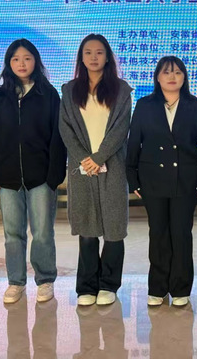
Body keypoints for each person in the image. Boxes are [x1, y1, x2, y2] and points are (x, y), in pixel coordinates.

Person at [0, 39, 67, 304]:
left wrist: (54, 175)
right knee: (13, 234)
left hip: (41, 177)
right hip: (7, 178)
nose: (21, 63)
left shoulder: (48, 95)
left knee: (42, 233)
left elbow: (58, 138)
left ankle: (45, 279)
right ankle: (16, 281)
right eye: (16, 59)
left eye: (27, 58)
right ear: (8, 63)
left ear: (36, 62)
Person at [126, 56, 197, 307]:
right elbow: (134, 143)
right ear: (157, 77)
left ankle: (180, 288)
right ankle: (157, 287)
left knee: (181, 233)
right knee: (158, 233)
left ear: (184, 77)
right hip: (152, 179)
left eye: (177, 72)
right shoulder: (145, 105)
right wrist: (132, 178)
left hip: (186, 180)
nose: (172, 77)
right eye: (166, 72)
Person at [59, 34, 132, 307]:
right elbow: (65, 128)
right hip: (82, 168)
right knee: (87, 228)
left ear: (108, 57)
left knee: (114, 228)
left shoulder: (121, 90)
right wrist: (84, 159)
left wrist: (99, 157)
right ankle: (87, 286)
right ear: (81, 57)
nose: (93, 57)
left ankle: (109, 285)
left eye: (99, 52)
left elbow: (121, 129)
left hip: (113, 165)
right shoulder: (69, 90)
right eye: (88, 52)